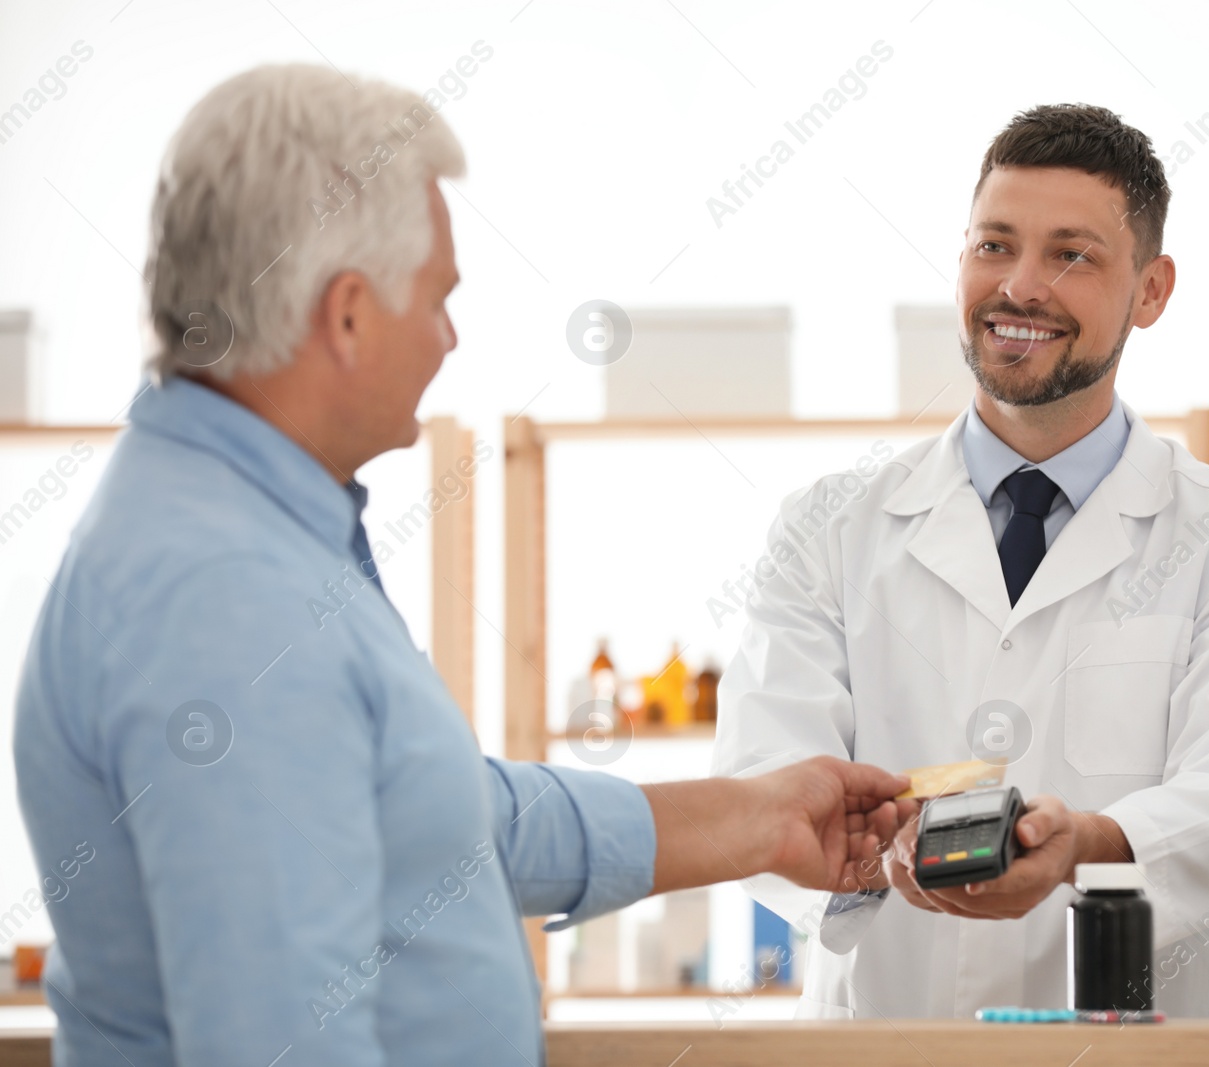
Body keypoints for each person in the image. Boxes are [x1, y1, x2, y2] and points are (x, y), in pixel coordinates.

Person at [12, 65, 910, 1067]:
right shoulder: (226, 595)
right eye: (438, 298)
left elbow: (438, 817)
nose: (450, 336)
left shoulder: (233, 527)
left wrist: (759, 816)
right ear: (347, 314)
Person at [710, 103, 1209, 1019]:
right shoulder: (828, 528)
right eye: (994, 246)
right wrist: (873, 857)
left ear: (1151, 290)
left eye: (1073, 255)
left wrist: (1091, 844)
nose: (1022, 287)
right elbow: (763, 772)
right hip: (894, 1035)